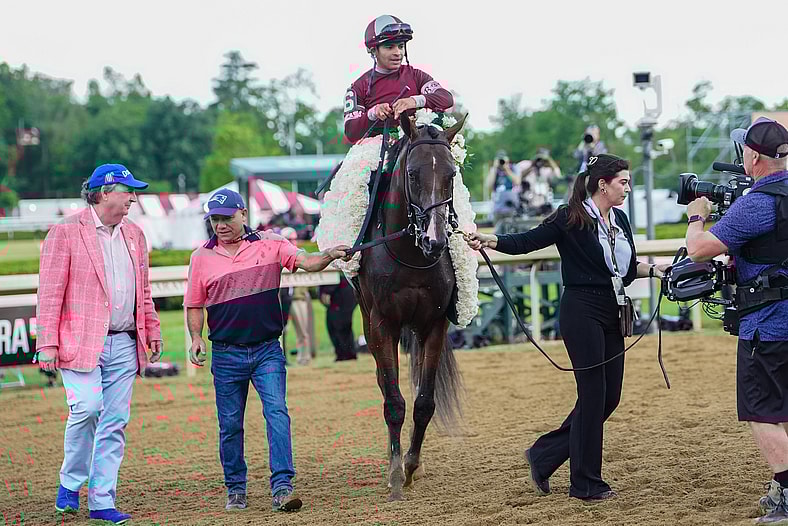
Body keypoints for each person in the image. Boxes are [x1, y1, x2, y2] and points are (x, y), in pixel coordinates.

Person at [465, 153, 667, 501]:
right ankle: (585, 483)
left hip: (612, 309)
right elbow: (527, 241)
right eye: (623, 182)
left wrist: (657, 270)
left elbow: (627, 268)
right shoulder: (570, 217)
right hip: (581, 310)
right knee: (592, 395)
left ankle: (543, 455)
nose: (628, 188)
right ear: (603, 185)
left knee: (610, 397)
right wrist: (490, 240)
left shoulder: (619, 219)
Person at [184, 189, 350, 513]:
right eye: (215, 220)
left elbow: (307, 262)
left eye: (226, 218)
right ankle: (235, 489)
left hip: (266, 351)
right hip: (226, 353)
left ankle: (283, 487)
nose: (220, 225)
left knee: (277, 414)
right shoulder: (200, 258)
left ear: (242, 214)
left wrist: (329, 255)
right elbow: (193, 304)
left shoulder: (271, 243)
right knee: (230, 425)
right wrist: (195, 337)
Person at [36, 164, 162, 524]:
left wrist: (151, 329)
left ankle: (102, 500)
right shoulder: (64, 232)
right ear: (105, 192)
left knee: (115, 421)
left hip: (124, 342)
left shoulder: (135, 234)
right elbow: (49, 291)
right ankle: (70, 481)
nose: (133, 198)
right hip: (80, 341)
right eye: (128, 191)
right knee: (88, 408)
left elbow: (144, 291)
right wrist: (47, 343)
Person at [684, 117, 788, 524]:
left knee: (761, 413)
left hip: (767, 324)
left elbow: (700, 250)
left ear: (753, 156)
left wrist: (697, 216)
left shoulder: (758, 202)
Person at [343, 15, 454, 143]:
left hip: (416, 145)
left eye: (401, 46)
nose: (398, 53)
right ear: (373, 50)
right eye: (389, 47)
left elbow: (446, 98)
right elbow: (351, 132)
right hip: (376, 150)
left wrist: (414, 101)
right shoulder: (358, 87)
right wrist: (373, 113)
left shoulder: (416, 75)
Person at [320, 275, 358, 362]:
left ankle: (348, 354)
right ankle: (342, 354)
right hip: (337, 295)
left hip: (342, 295)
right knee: (333, 326)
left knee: (342, 326)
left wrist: (327, 291)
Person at [517, 149, 562, 216]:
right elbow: (517, 177)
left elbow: (558, 177)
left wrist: (549, 160)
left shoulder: (546, 170)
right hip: (528, 204)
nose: (541, 161)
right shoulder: (525, 164)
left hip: (543, 205)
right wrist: (532, 164)